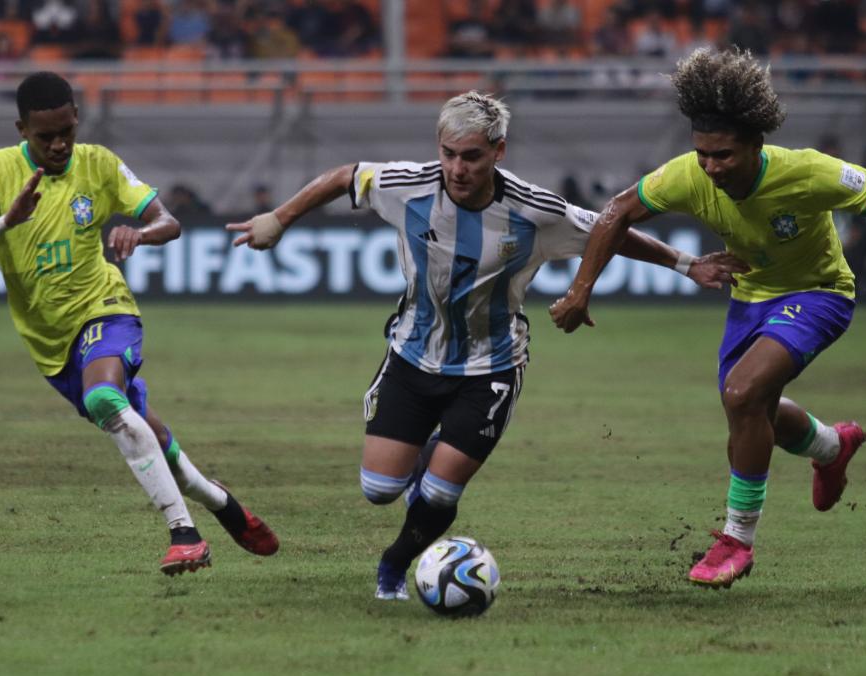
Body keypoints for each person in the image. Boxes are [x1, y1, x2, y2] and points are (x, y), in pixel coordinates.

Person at [225, 91, 747, 600]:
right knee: (378, 489)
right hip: (412, 355)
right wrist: (280, 218)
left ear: (499, 151)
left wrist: (686, 263)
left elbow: (609, 230)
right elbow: (346, 176)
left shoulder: (535, 210)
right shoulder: (407, 186)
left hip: (491, 366)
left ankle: (394, 565)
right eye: (449, 154)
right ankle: (431, 455)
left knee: (439, 493)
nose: (458, 168)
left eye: (472, 156)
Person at [549, 49, 866, 589]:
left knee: (741, 394)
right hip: (749, 299)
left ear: (756, 144)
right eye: (703, 155)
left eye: (724, 155)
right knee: (752, 410)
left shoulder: (807, 172)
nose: (711, 168)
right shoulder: (688, 175)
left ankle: (736, 541)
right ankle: (831, 447)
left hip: (819, 293)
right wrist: (580, 290)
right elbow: (616, 212)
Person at [0, 72, 279, 576]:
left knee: (103, 399)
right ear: (21, 130)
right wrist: (7, 220)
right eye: (45, 136)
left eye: (66, 131)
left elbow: (168, 221)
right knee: (151, 440)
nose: (59, 144)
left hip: (106, 308)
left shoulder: (99, 163)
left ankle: (184, 534)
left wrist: (140, 234)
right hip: (50, 343)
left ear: (76, 118)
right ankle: (222, 503)